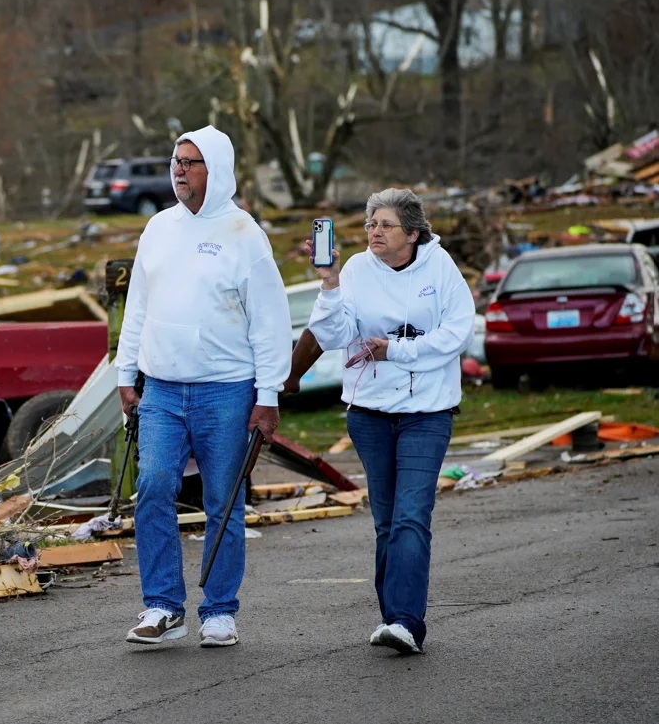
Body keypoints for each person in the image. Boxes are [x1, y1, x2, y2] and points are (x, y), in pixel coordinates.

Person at [115, 125, 291, 648]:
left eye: (190, 162)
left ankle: (219, 610)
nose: (179, 170)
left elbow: (270, 322)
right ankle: (163, 607)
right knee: (152, 488)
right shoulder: (158, 228)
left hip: (227, 390)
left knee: (223, 501)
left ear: (215, 170)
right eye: (176, 161)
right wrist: (126, 374)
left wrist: (268, 395)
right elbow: (137, 308)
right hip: (163, 390)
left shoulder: (244, 234)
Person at [305, 188, 474, 655]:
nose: (375, 232)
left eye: (385, 225)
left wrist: (397, 349)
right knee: (386, 522)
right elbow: (334, 334)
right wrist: (329, 282)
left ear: (413, 233)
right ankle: (392, 618)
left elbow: (457, 332)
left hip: (427, 414)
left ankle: (406, 622)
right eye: (370, 224)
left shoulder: (440, 267)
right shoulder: (357, 269)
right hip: (371, 414)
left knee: (411, 516)